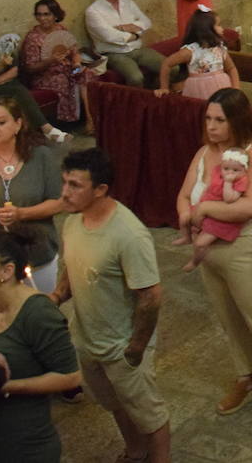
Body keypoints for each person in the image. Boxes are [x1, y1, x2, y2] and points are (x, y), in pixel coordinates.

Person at [172, 88, 252, 433]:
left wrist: (204, 209)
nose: (211, 126)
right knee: (229, 319)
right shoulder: (203, 154)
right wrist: (186, 213)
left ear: (237, 120)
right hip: (211, 251)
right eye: (208, 119)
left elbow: (250, 206)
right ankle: (249, 375)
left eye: (219, 120)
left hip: (249, 250)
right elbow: (183, 195)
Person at [52, 148, 171, 463]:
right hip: (88, 340)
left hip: (122, 345)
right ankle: (135, 452)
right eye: (64, 182)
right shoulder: (73, 222)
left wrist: (135, 349)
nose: (65, 192)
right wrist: (58, 294)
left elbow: (151, 296)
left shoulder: (129, 235)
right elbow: (72, 264)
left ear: (101, 189)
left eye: (75, 185)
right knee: (115, 403)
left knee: (148, 413)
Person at [0, 225, 81, 463]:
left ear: (6, 271)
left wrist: (4, 386)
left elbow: (71, 377)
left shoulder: (38, 313)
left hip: (21, 445)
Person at [0, 98, 63, 292]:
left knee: (37, 313)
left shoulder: (41, 156)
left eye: (1, 122)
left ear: (18, 124)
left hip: (36, 254)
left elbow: (58, 202)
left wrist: (21, 214)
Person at [0, 13, 67, 142]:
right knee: (18, 91)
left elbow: (14, 70)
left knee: (16, 89)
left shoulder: (1, 44)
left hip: (6, 84)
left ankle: (35, 136)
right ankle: (46, 129)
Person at [174, 146, 250, 271]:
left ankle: (194, 262)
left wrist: (228, 182)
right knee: (184, 218)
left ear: (244, 170)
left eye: (235, 170)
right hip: (205, 205)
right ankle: (186, 237)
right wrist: (200, 202)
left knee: (200, 243)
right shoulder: (217, 171)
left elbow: (229, 199)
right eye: (226, 168)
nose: (229, 173)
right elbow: (208, 187)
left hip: (220, 217)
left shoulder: (241, 181)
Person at [85, 0, 163, 88]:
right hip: (114, 53)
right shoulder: (93, 11)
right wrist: (136, 34)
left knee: (171, 67)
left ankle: (156, 94)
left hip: (136, 48)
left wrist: (128, 28)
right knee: (136, 78)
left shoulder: (128, 3)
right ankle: (138, 104)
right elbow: (110, 36)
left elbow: (146, 22)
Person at [155, 6, 238, 99]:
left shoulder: (219, 48)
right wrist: (164, 87)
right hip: (199, 90)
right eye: (218, 25)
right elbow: (167, 63)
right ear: (207, 29)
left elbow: (231, 68)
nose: (222, 28)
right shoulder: (190, 51)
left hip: (222, 87)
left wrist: (236, 88)